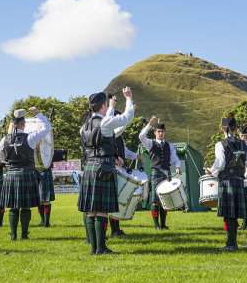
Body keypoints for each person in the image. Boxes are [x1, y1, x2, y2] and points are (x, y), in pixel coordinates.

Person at [78, 87, 134, 255]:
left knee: (91, 210)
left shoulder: (84, 126)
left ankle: (94, 248)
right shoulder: (105, 123)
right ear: (103, 105)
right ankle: (101, 248)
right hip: (104, 166)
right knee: (101, 209)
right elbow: (127, 117)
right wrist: (129, 98)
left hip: (89, 166)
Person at [205, 115, 247, 251]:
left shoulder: (220, 144)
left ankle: (231, 244)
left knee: (229, 213)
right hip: (239, 180)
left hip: (227, 181)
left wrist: (212, 171)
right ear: (235, 128)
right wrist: (245, 171)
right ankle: (232, 243)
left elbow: (220, 163)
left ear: (222, 129)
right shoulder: (243, 144)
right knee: (234, 213)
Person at [0, 107, 51, 240]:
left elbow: (2, 158)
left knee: (13, 207)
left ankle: (13, 235)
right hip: (26, 174)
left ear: (12, 124)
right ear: (24, 124)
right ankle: (23, 235)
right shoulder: (31, 137)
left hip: (10, 175)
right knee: (25, 206)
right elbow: (47, 128)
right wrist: (38, 113)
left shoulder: (4, 140)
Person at [139, 116, 182, 230]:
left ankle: (163, 225)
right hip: (155, 174)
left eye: (162, 132)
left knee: (164, 201)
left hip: (166, 175)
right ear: (155, 132)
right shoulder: (150, 144)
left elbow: (175, 158)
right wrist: (149, 124)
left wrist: (177, 166)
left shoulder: (170, 146)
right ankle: (156, 225)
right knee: (155, 201)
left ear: (164, 132)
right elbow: (141, 136)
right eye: (158, 131)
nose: (160, 134)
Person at [110, 108, 146, 237]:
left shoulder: (120, 139)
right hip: (114, 170)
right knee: (115, 201)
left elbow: (125, 153)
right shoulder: (110, 134)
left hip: (122, 170)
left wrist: (138, 156)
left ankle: (116, 229)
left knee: (120, 200)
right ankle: (114, 230)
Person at [36, 149, 68, 228]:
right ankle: (43, 221)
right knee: (39, 199)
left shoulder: (44, 143)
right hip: (36, 171)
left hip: (44, 170)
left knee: (45, 198)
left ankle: (46, 223)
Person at [238, 123, 247, 230]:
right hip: (241, 175)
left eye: (245, 136)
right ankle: (244, 223)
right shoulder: (238, 145)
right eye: (242, 136)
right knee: (243, 200)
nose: (244, 138)